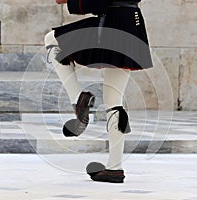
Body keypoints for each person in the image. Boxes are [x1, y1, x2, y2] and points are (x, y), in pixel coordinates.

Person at [44, 0, 153, 183]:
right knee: (114, 101)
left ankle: (78, 99)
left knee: (53, 39)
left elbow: (98, 2)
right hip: (132, 22)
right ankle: (114, 168)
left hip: (114, 23)